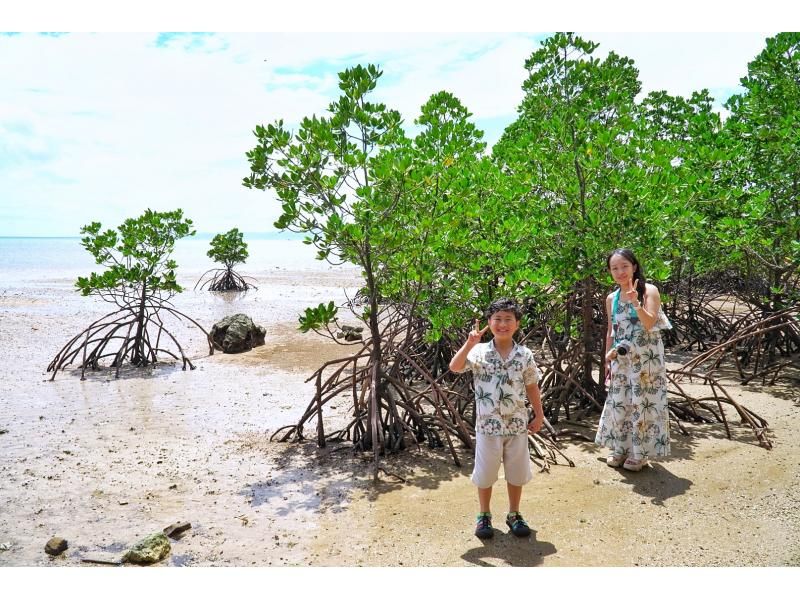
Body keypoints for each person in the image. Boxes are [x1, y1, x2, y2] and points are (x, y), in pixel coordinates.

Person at [449, 297, 545, 539]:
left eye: (508, 319)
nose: (503, 324)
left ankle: (514, 514)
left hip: (517, 424)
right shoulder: (478, 351)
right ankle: (484, 515)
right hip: (487, 426)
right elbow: (455, 367)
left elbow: (532, 386)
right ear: (489, 322)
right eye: (497, 319)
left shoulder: (524, 354)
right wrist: (469, 343)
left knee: (516, 472)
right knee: (485, 473)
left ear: (517, 324)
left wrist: (539, 414)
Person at [595, 248, 672, 472]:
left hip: (647, 360)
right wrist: (607, 359)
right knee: (621, 402)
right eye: (614, 268)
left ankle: (640, 454)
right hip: (622, 359)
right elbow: (611, 331)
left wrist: (636, 303)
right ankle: (620, 448)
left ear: (634, 267)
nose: (620, 272)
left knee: (643, 403)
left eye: (624, 266)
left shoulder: (649, 291)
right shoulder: (612, 298)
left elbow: (649, 323)